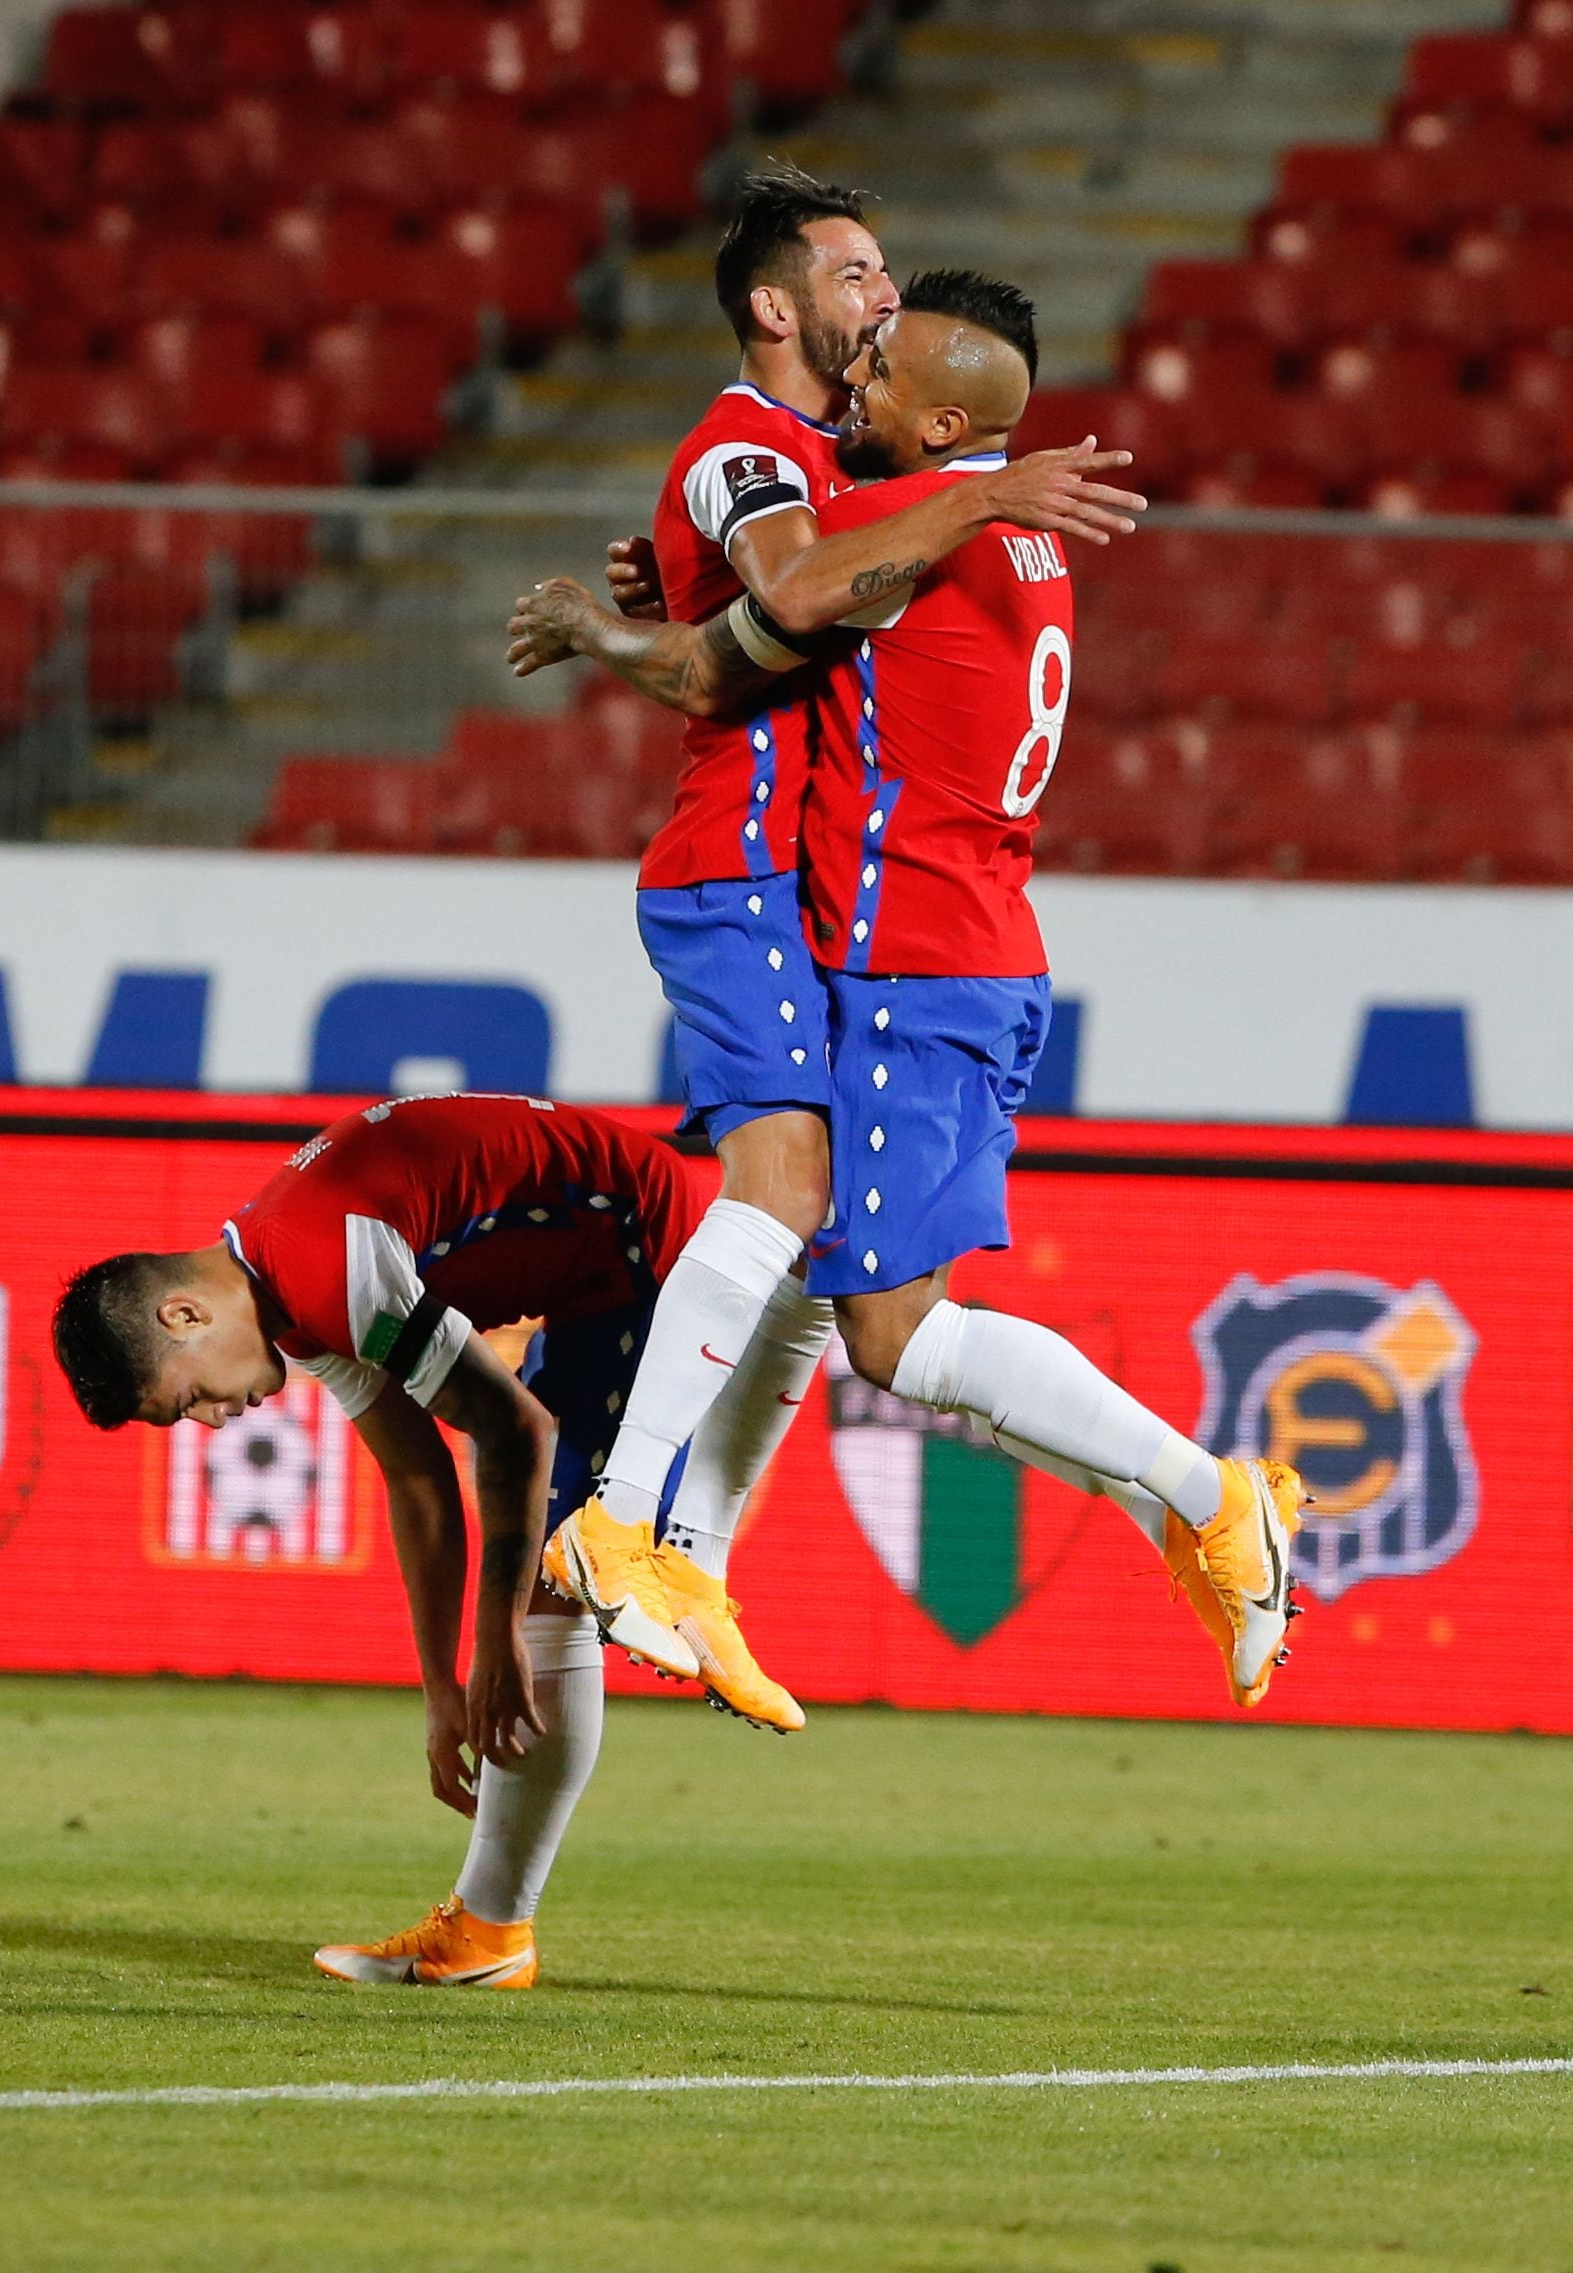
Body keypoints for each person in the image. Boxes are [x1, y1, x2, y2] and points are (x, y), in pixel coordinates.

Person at [507, 270, 1308, 1709]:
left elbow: (748, 629)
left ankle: (1204, 1492)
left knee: (901, 1335)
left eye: (875, 384)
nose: (845, 395)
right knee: (839, 1289)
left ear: (943, 422)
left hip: (914, 966)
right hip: (973, 951)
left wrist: (601, 624)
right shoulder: (1008, 536)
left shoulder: (911, 526)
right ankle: (697, 1542)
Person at [551, 162, 1149, 1732]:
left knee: (822, 1251)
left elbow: (783, 582)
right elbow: (779, 592)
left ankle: (686, 1550)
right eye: (859, 275)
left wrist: (647, 601)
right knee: (800, 1207)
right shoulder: (758, 452)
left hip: (821, 897)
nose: (884, 299)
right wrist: (656, 621)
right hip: (739, 870)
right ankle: (622, 1524)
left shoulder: (832, 463)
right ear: (776, 305)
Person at [50, 1092, 832, 1987]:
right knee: (551, 1579)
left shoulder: (322, 1263)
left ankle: (493, 1935)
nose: (218, 1421)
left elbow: (515, 1433)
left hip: (635, 1238)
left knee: (552, 1586)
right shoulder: (289, 1294)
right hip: (593, 1260)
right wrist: (439, 1684)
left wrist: (491, 1639)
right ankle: (492, 1933)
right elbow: (417, 1480)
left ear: (181, 1317)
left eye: (190, 1401)